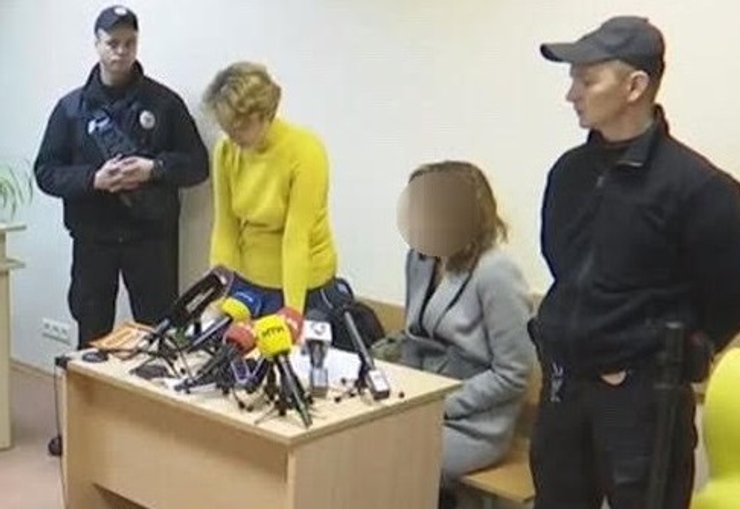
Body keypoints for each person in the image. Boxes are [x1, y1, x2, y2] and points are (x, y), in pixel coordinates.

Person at [533, 16, 740, 508]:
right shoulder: (569, 173)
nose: (571, 94)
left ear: (635, 86)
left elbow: (728, 296)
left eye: (587, 80)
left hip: (642, 400)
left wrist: (641, 353)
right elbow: (562, 263)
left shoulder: (699, 187)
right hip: (564, 384)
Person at [34, 5, 209, 455]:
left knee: (158, 336)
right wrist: (93, 180)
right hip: (93, 242)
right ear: (96, 44)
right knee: (91, 336)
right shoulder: (71, 109)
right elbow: (46, 172)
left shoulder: (164, 103)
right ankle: (82, 434)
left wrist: (154, 168)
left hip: (151, 242)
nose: (121, 52)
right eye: (112, 43)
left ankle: (157, 438)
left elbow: (198, 166)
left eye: (129, 43)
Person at [398, 161, 535, 509]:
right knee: (352, 440)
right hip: (421, 406)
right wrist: (404, 400)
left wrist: (439, 405)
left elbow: (514, 373)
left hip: (475, 422)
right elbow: (412, 339)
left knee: (389, 456)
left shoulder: (497, 272)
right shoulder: (420, 260)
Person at [203, 62, 339, 316]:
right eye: (227, 129)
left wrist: (292, 313)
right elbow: (225, 230)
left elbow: (296, 239)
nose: (233, 137)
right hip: (248, 280)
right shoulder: (226, 151)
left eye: (241, 127)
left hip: (303, 283)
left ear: (265, 114)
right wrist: (215, 299)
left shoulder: (305, 151)